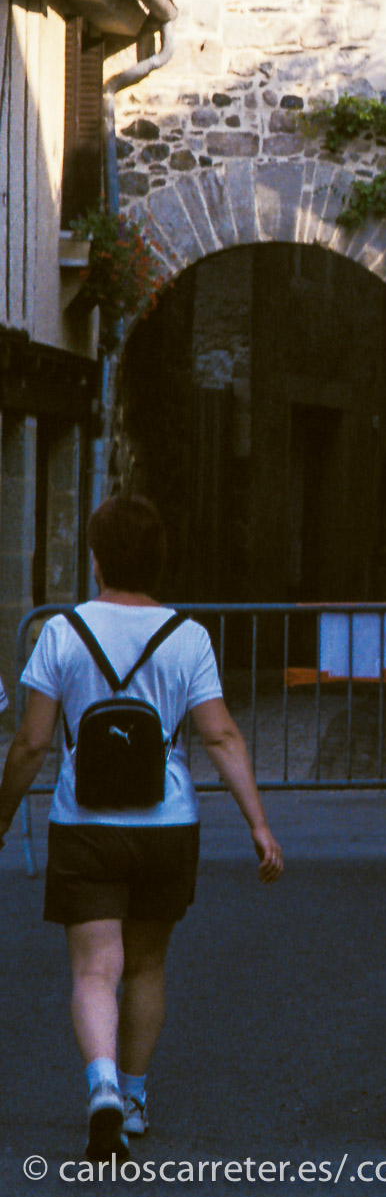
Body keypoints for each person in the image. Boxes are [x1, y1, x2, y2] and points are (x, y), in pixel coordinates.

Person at [0, 494, 283, 1163]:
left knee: (95, 969)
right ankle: (132, 1098)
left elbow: (32, 743)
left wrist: (3, 814)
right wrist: (259, 823)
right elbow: (220, 734)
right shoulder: (188, 636)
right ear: (158, 560)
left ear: (96, 560)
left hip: (85, 823)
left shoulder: (61, 632)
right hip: (167, 823)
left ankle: (99, 1085)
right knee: (148, 965)